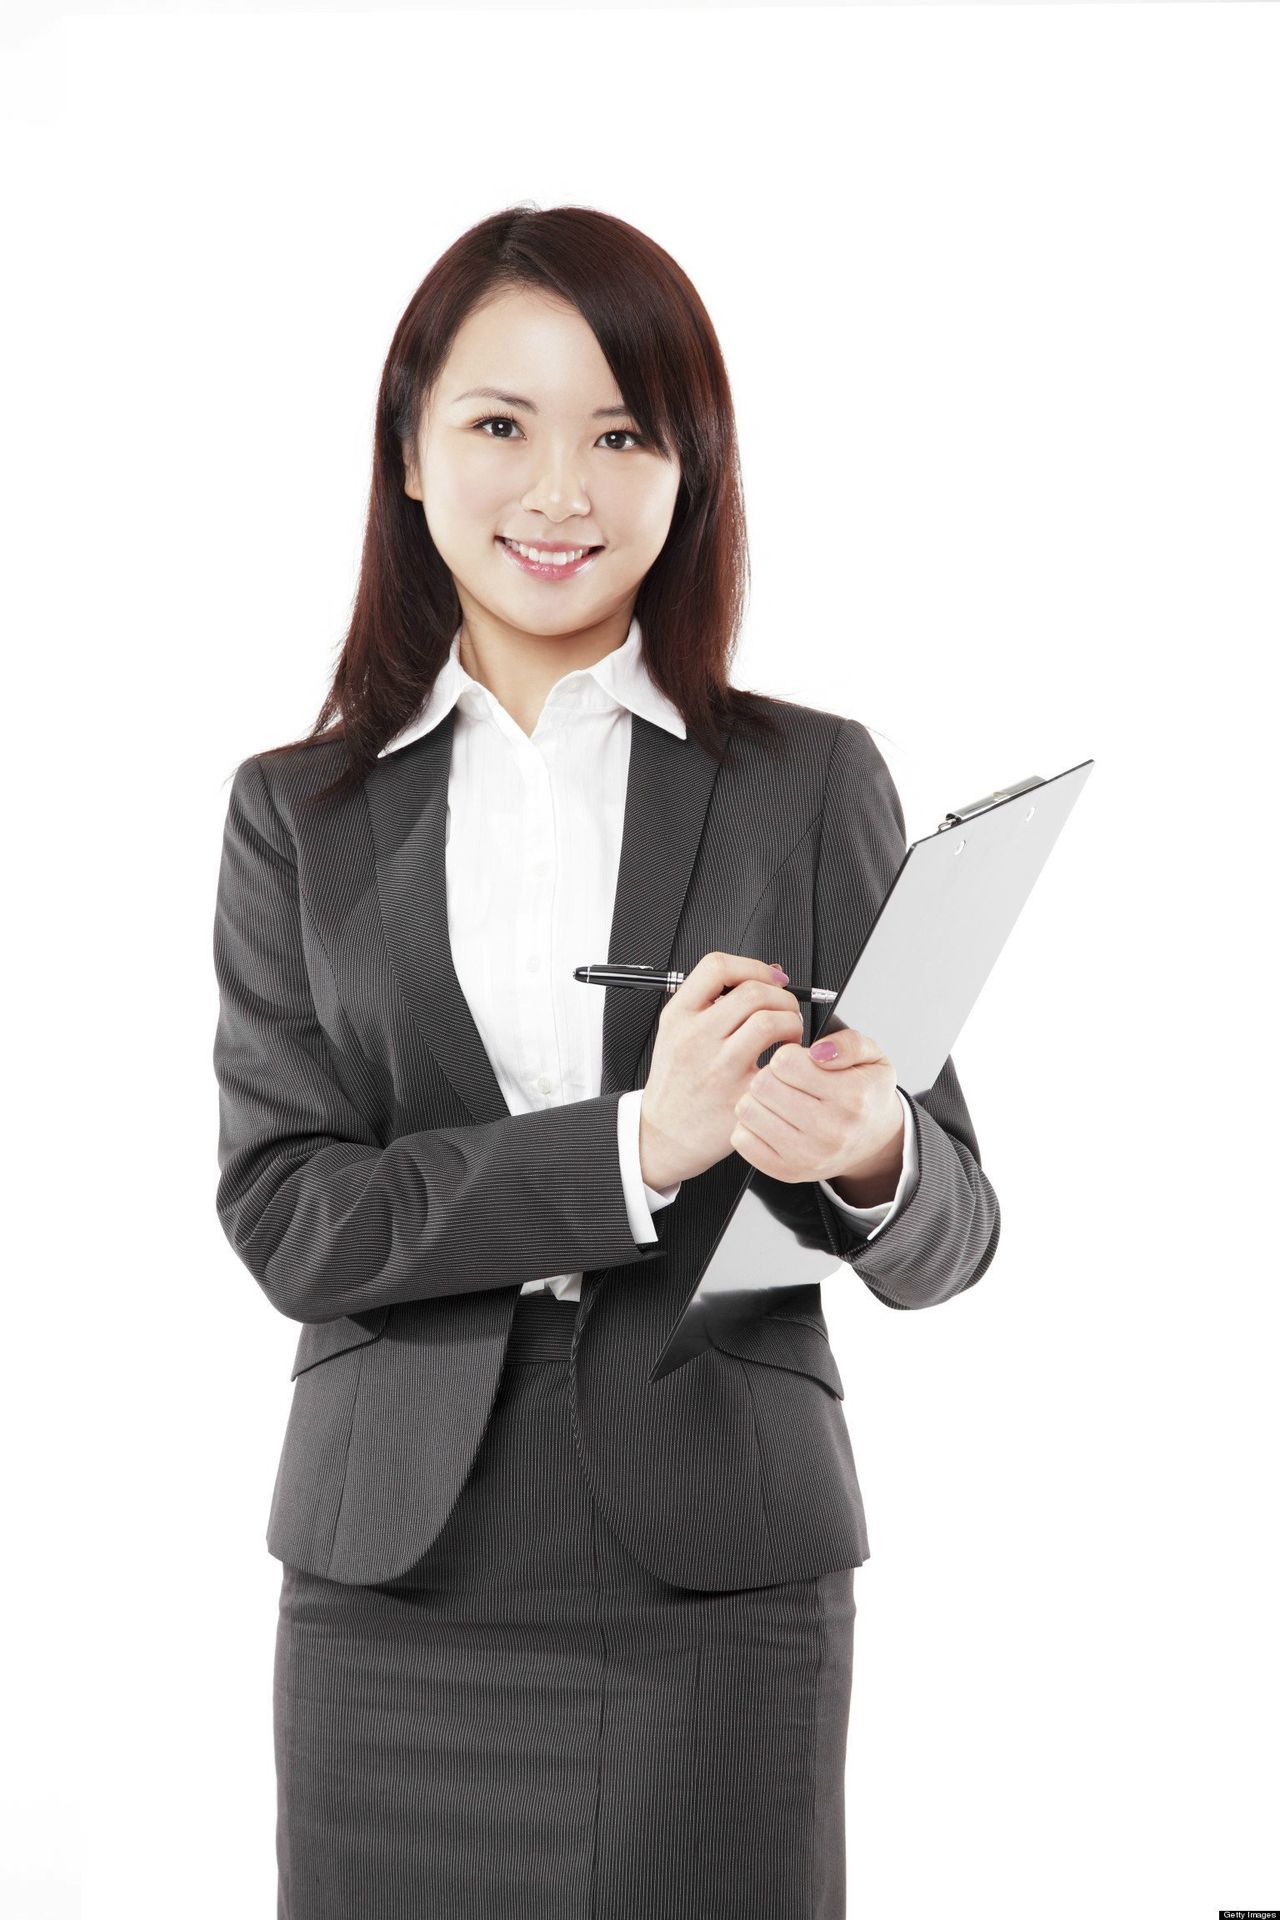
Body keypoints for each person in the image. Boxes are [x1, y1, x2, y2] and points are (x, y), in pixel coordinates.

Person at [211, 203, 1001, 1920]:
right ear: (409, 452)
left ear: (689, 470)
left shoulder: (806, 781)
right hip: (391, 1580)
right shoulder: (299, 814)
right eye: (502, 425)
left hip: (724, 1579)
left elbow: (955, 1230)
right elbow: (290, 1221)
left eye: (622, 435)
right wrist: (639, 1142)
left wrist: (868, 1148)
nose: (559, 491)